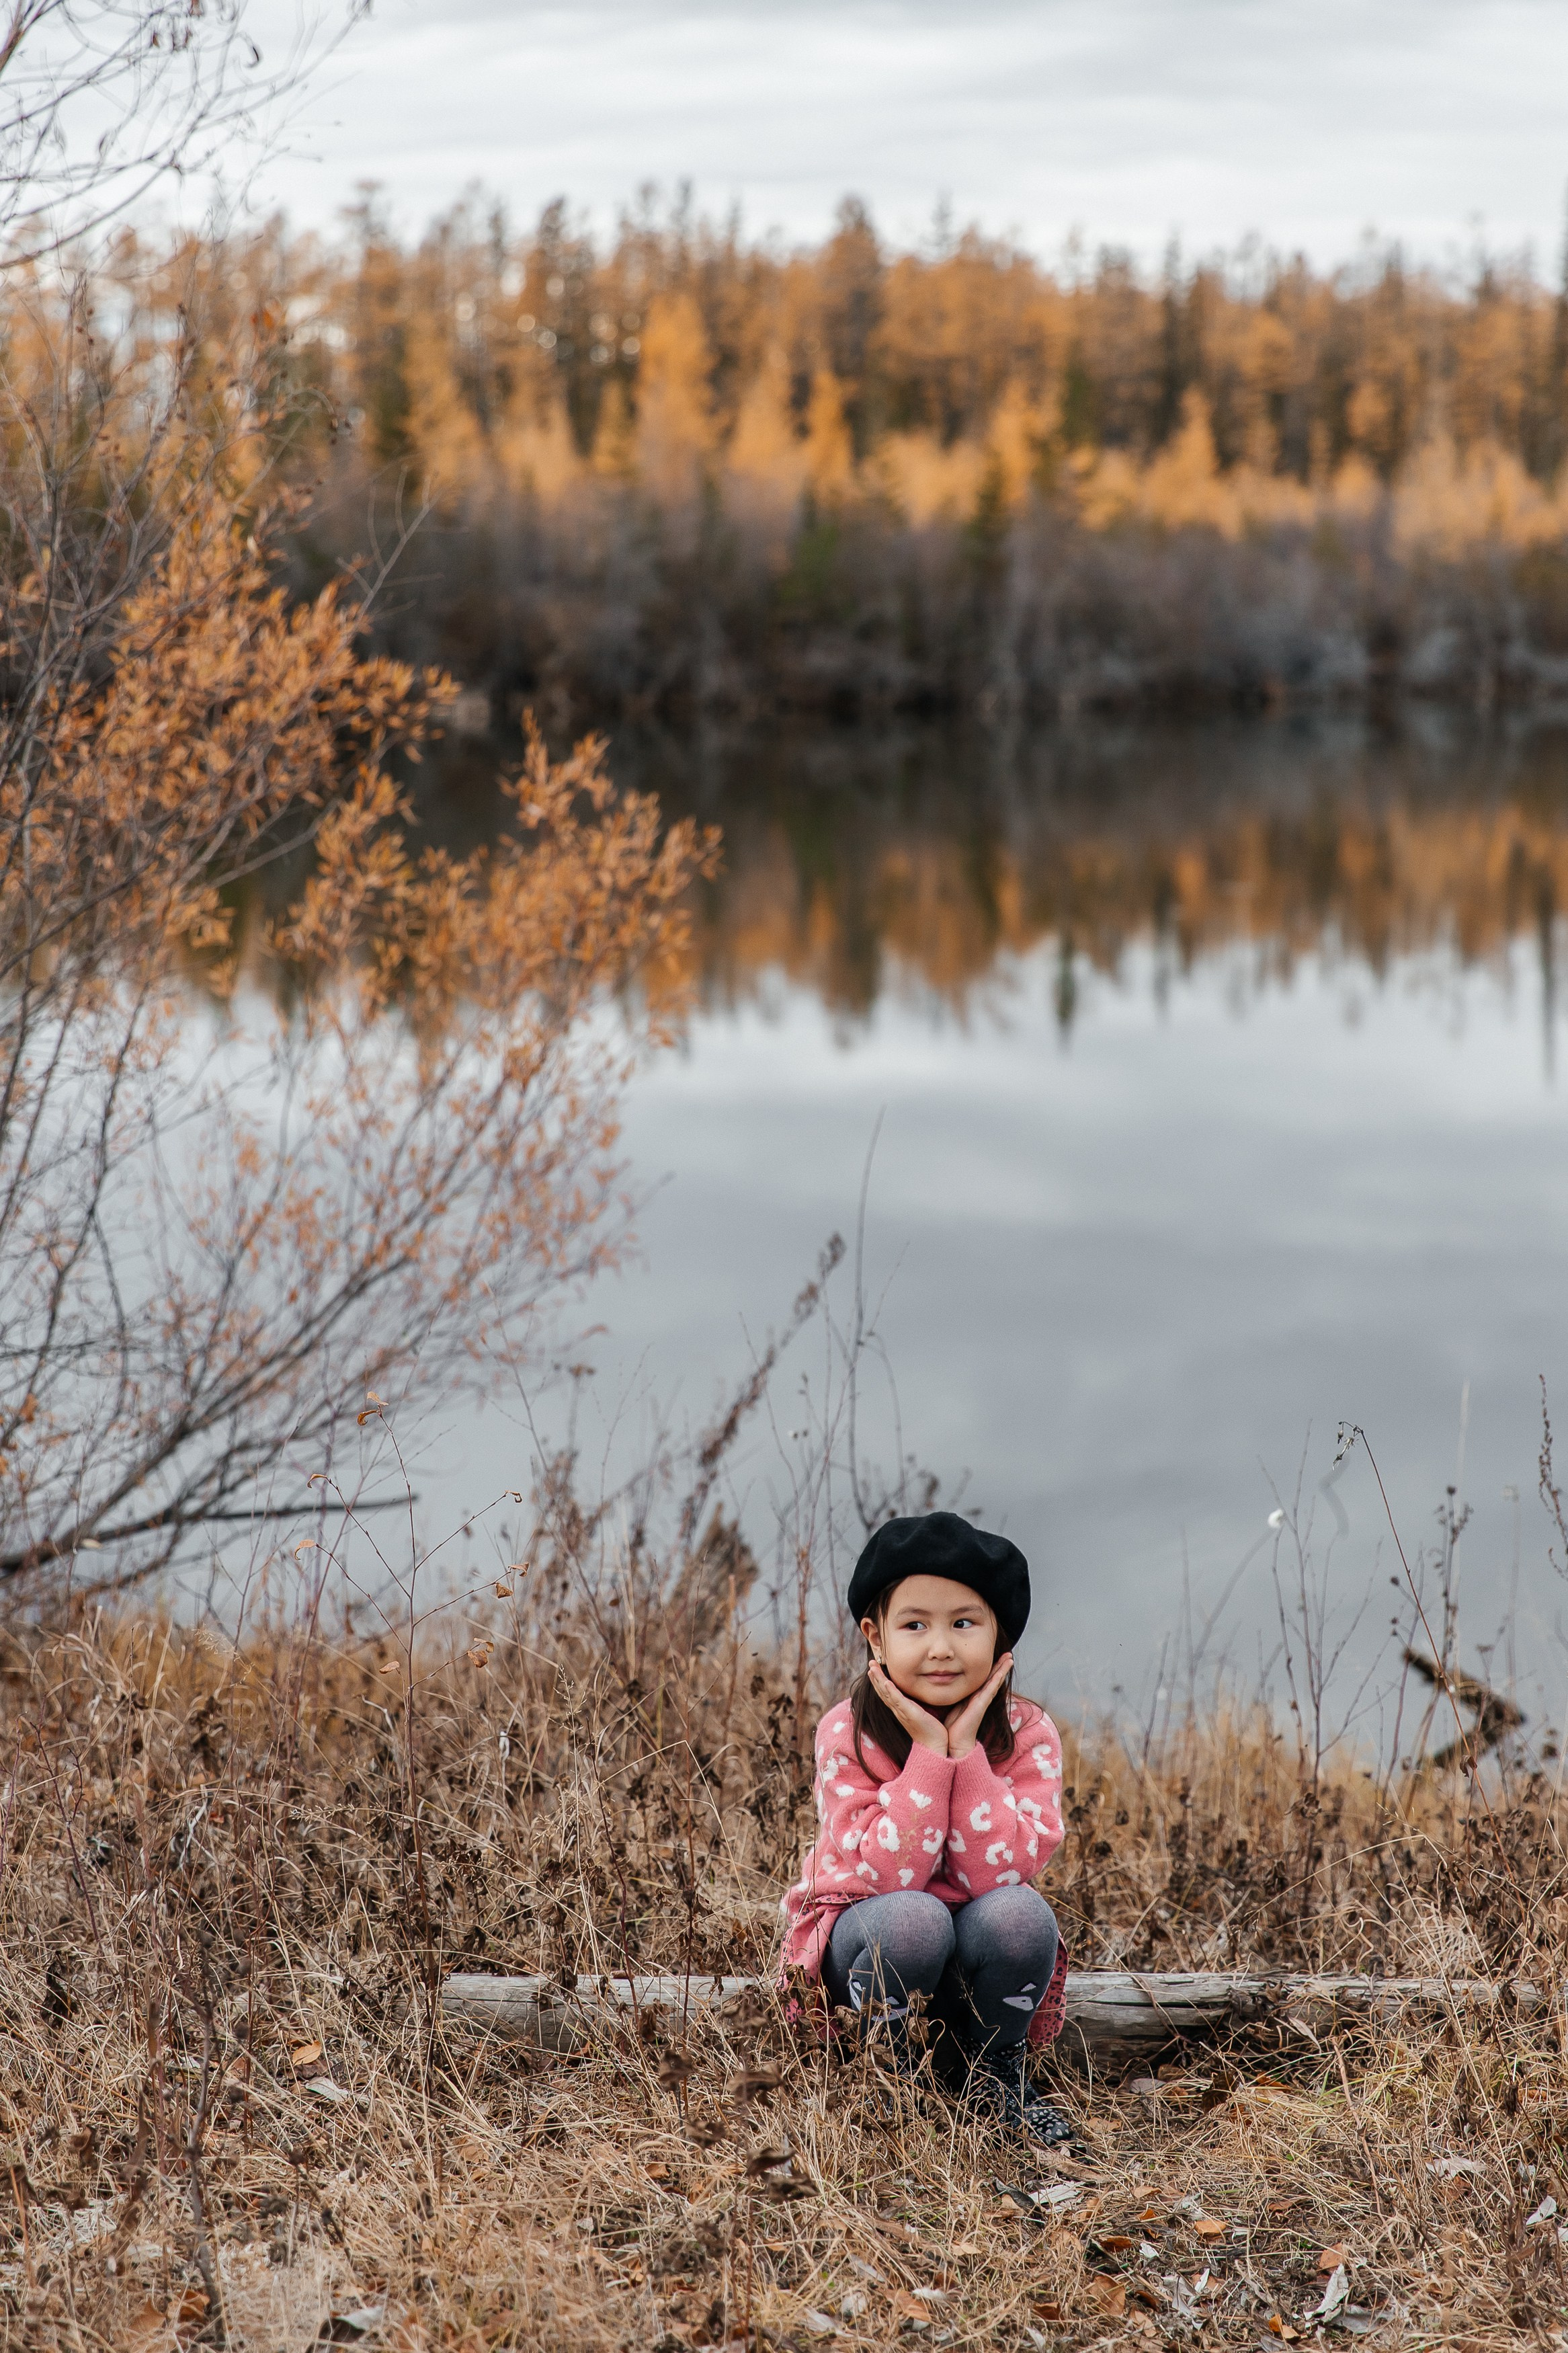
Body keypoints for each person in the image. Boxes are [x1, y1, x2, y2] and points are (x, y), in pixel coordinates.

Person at [780, 1511, 1072, 2145]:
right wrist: (927, 1753)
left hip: (970, 1964)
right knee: (915, 1916)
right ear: (875, 1637)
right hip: (869, 1942)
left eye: (964, 1624)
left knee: (1022, 1915)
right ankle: (891, 2081)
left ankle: (994, 2077)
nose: (940, 1648)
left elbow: (995, 1876)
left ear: (999, 1639)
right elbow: (891, 1877)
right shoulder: (846, 1731)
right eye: (914, 1625)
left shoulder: (1027, 1733)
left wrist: (965, 1752)